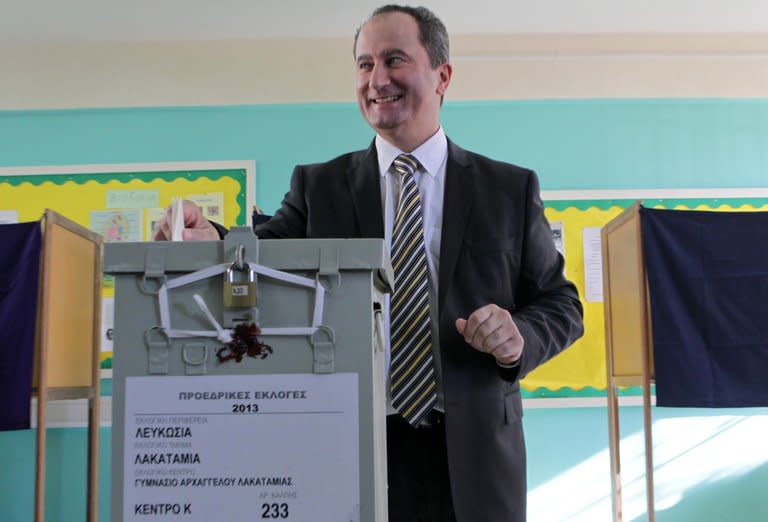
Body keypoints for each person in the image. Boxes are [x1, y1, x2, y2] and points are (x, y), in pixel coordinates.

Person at [154, 5, 584, 521]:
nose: (376, 79)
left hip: (476, 454)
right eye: (364, 64)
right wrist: (211, 238)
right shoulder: (318, 187)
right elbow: (264, 256)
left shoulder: (509, 189)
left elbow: (563, 305)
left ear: (442, 75)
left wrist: (519, 336)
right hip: (346, 447)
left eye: (394, 59)